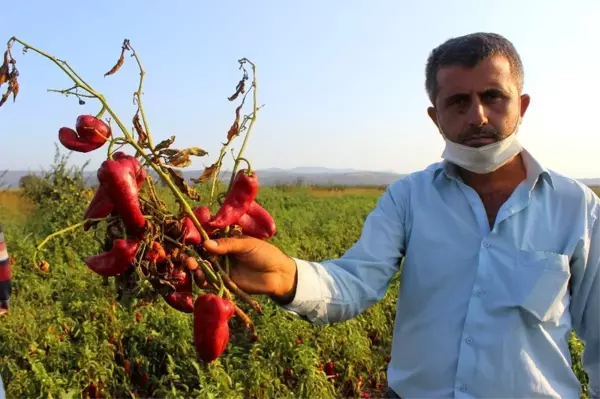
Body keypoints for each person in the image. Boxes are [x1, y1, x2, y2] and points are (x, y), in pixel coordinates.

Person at [203, 32, 600, 399]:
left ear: (522, 105)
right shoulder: (409, 198)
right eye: (458, 102)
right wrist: (287, 276)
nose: (477, 115)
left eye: (493, 96)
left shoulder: (576, 207)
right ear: (435, 117)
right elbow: (356, 281)